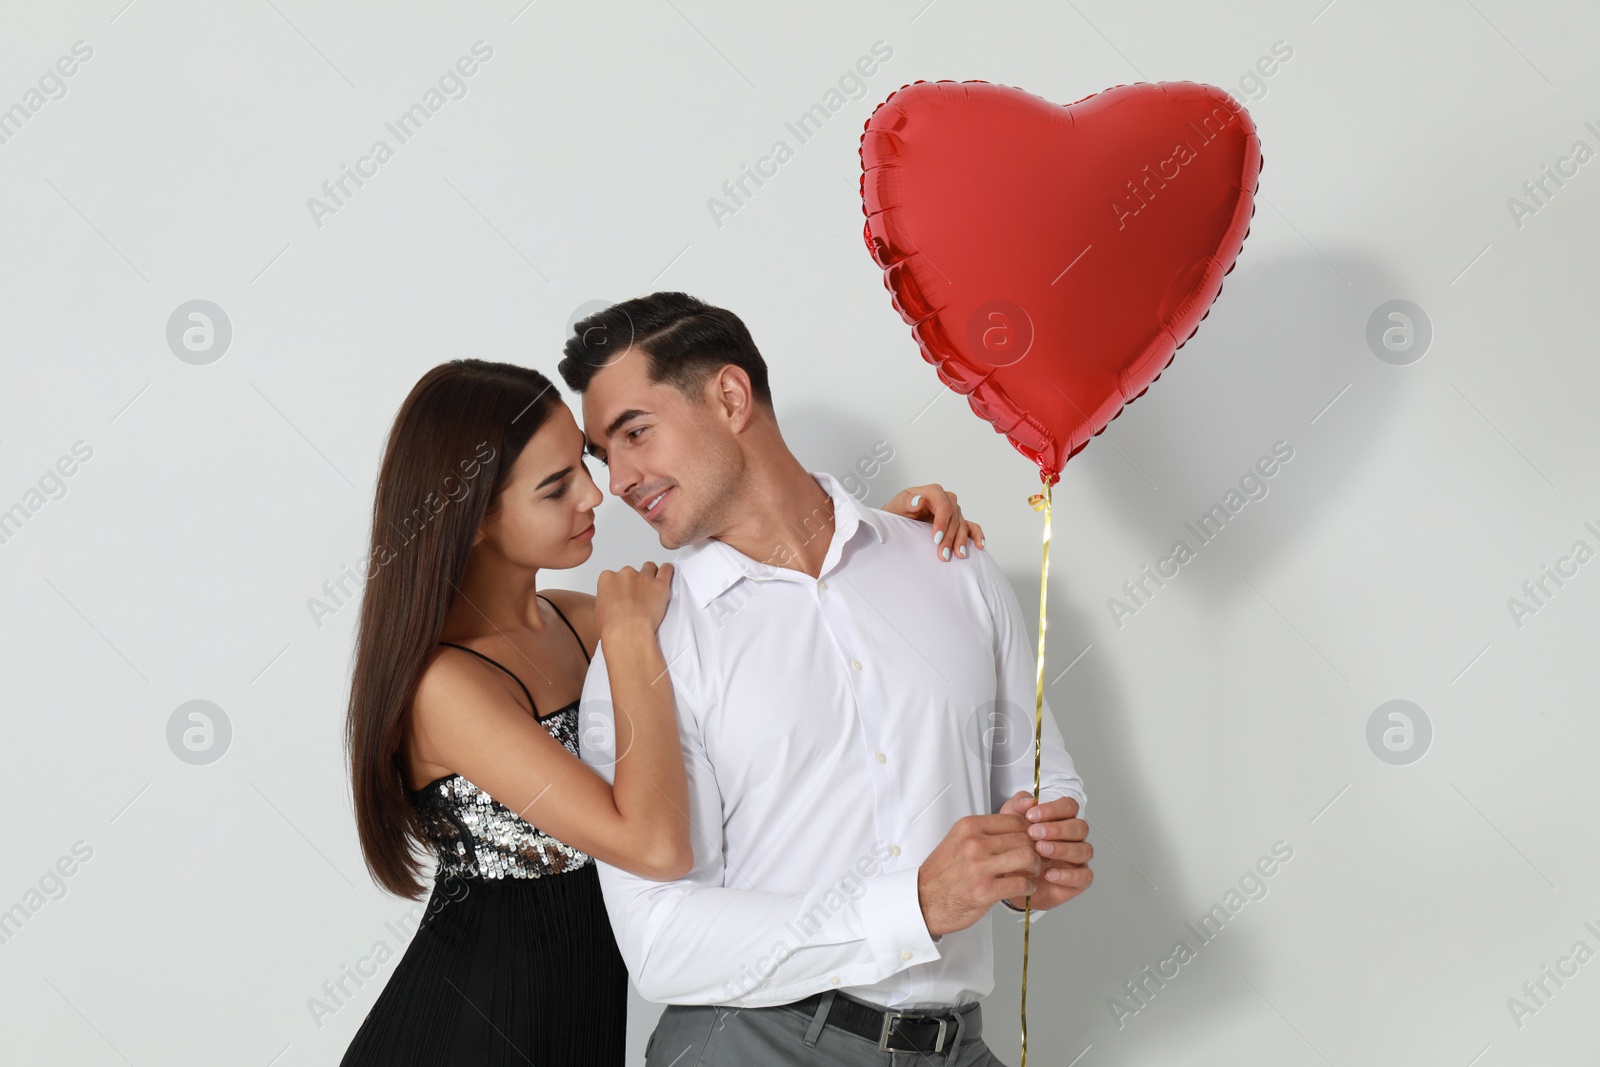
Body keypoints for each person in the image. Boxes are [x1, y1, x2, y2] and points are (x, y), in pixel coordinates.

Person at [339, 357, 986, 1065]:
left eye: (582, 465)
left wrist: (870, 542)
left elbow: (750, 610)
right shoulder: (448, 686)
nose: (595, 494)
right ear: (471, 521)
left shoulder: (578, 621)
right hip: (463, 1033)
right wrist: (626, 638)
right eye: (556, 487)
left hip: (579, 1024)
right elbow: (654, 845)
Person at [560, 292, 1094, 1067]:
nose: (620, 480)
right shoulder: (648, 646)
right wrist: (912, 904)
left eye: (635, 433)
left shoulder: (951, 564)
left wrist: (1040, 855)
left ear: (731, 396)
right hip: (753, 1046)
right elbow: (661, 939)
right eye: (607, 455)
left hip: (957, 1045)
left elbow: (1037, 773)